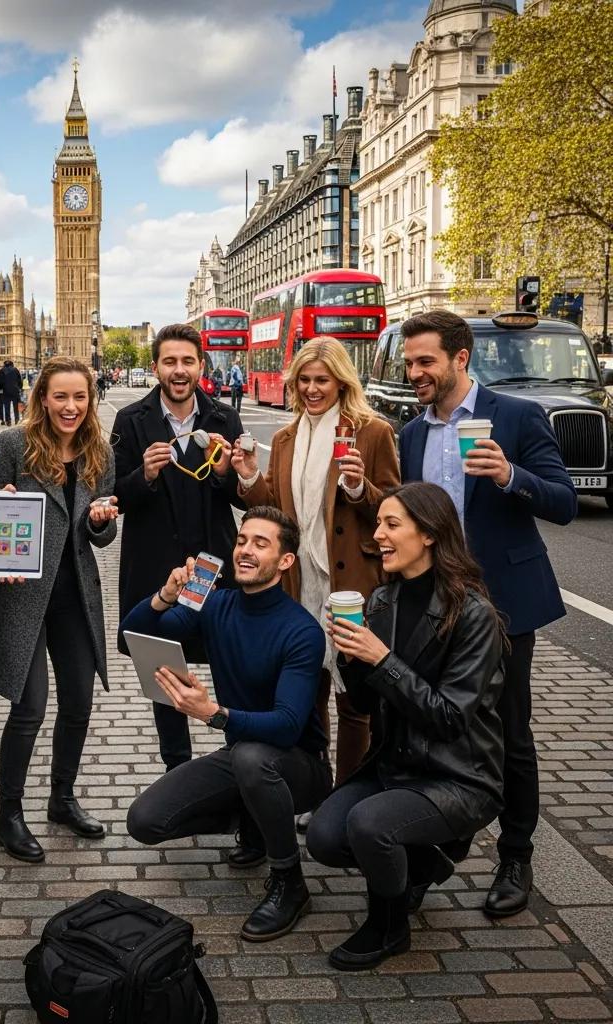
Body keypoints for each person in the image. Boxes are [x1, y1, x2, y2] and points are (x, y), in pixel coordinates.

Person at [398, 310, 576, 917]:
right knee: (435, 727)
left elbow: (563, 502)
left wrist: (509, 474)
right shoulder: (412, 433)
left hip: (502, 604)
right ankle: (431, 854)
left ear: (460, 358)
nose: (415, 372)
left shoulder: (517, 417)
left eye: (426, 361)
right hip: (435, 605)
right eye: (410, 362)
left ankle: (516, 855)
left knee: (509, 733)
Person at [306, 482, 505, 970]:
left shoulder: (473, 614)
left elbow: (449, 718)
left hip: (457, 775)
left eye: (392, 525)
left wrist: (382, 659)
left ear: (430, 534)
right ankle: (422, 862)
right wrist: (349, 656)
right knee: (324, 837)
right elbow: (364, 703)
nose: (378, 535)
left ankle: (389, 926)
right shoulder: (381, 601)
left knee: (369, 824)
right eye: (379, 524)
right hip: (397, 765)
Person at [123, 507, 330, 942]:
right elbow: (137, 635)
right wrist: (164, 595)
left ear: (285, 561)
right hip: (242, 756)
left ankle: (290, 882)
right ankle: (254, 823)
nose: (245, 551)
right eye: (241, 541)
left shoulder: (302, 631)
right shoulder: (215, 604)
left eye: (260, 543)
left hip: (299, 767)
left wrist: (213, 713)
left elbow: (288, 726)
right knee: (145, 821)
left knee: (253, 757)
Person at [232, 337, 400, 856]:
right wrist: (249, 477)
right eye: (303, 380)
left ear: (341, 382)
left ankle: (347, 801)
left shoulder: (371, 432)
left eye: (321, 380)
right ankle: (315, 790)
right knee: (308, 695)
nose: (311, 389)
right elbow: (277, 511)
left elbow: (395, 509)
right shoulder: (285, 437)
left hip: (349, 584)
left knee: (355, 701)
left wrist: (360, 489)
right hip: (298, 582)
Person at [0, 357, 119, 864]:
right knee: (30, 707)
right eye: (60, 396)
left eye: (79, 397)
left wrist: (102, 520)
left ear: (90, 400)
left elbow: (103, 534)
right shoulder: (13, 444)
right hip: (22, 594)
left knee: (79, 701)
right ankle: (8, 814)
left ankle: (62, 798)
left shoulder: (99, 450)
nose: (70, 406)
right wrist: (0, 503)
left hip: (75, 595)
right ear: (42, 398)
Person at [111, 323, 244, 774]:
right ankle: (178, 772)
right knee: (165, 675)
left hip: (214, 570)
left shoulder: (224, 418)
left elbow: (243, 498)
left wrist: (227, 473)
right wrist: (144, 476)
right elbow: (115, 496)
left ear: (201, 366)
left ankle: (240, 761)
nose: (179, 370)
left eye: (188, 361)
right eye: (170, 361)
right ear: (156, 368)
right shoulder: (130, 420)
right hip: (156, 570)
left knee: (230, 666)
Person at [0, 359, 24, 426]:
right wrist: (19, 388)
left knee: (7, 406)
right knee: (15, 406)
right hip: (15, 391)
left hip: (5, 391)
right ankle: (16, 419)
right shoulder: (15, 370)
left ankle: (8, 420)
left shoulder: (1, 371)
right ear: (12, 364)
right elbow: (20, 380)